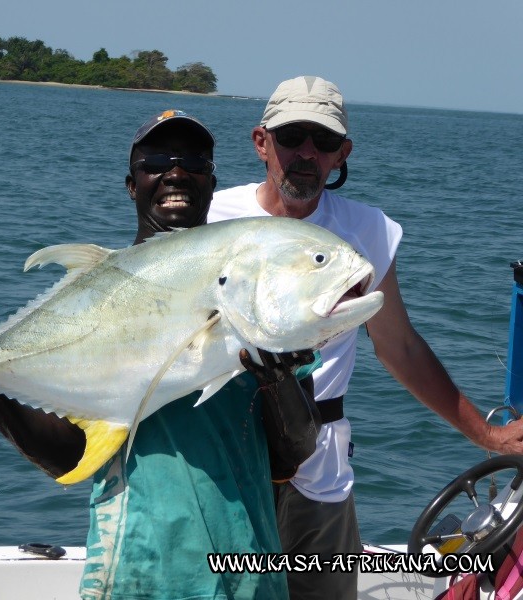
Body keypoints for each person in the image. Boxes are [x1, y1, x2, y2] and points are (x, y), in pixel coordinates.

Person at [0, 109, 322, 599]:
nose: (176, 173)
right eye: (156, 161)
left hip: (249, 578)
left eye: (194, 162)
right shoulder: (94, 296)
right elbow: (67, 453)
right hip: (133, 571)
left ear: (212, 183)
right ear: (132, 184)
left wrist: (277, 380)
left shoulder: (254, 290)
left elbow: (295, 453)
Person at [208, 75, 523, 599]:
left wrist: (487, 435)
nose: (306, 153)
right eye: (292, 137)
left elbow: (397, 346)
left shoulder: (369, 232)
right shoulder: (208, 219)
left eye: (324, 141)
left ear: (342, 154)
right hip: (224, 450)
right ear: (261, 141)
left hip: (319, 466)